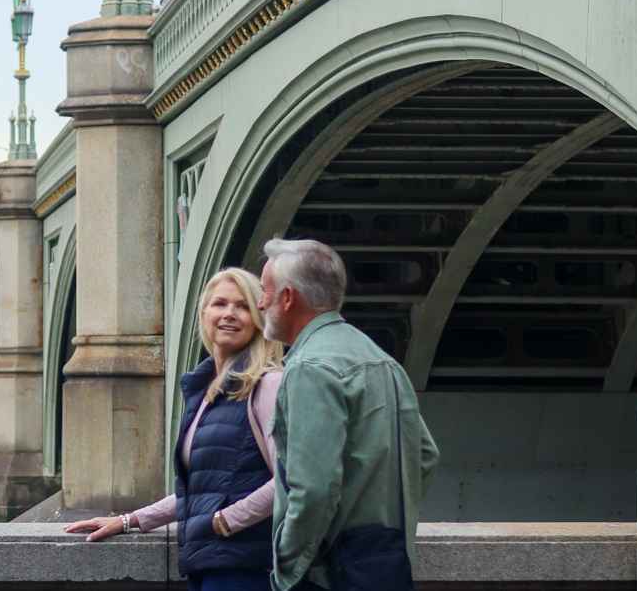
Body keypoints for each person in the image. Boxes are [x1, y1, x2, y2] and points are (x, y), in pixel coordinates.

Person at [66, 268, 284, 591]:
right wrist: (131, 520)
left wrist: (226, 521)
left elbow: (290, 478)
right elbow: (202, 491)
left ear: (258, 318)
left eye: (242, 306)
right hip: (207, 565)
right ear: (204, 314)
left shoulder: (268, 385)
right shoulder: (206, 391)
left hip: (246, 568)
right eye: (219, 304)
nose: (229, 314)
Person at [256, 238, 439, 591]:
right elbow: (425, 456)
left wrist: (287, 563)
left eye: (265, 291)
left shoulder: (309, 367)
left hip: (329, 571)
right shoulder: (382, 359)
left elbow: (314, 488)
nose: (260, 302)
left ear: (288, 297)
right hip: (385, 563)